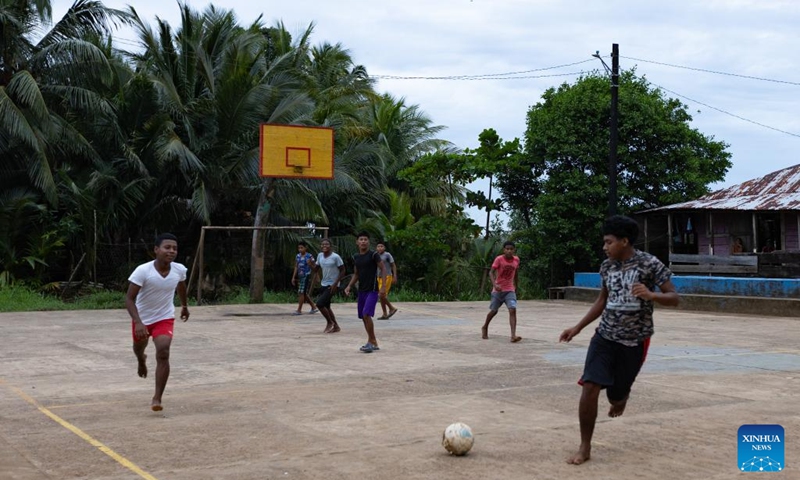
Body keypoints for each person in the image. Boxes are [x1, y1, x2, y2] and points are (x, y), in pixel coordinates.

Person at [559, 215, 679, 465]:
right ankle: (585, 446)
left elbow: (674, 296)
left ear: (625, 241)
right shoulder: (607, 267)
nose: (605, 247)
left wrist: (651, 295)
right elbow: (602, 300)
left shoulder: (649, 264)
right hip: (604, 337)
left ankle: (621, 397)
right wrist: (578, 327)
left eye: (609, 242)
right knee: (590, 387)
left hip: (635, 342)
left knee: (615, 396)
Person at [126, 233, 190, 412]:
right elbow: (129, 299)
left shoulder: (179, 270)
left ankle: (157, 398)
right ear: (156, 250)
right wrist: (138, 322)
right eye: (167, 247)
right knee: (139, 347)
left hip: (164, 317)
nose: (171, 251)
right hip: (142, 319)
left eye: (174, 248)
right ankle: (141, 359)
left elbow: (181, 286)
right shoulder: (143, 271)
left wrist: (184, 305)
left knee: (163, 351)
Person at [344, 232, 388, 353]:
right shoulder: (356, 257)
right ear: (357, 242)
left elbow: (383, 268)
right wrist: (349, 286)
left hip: (372, 290)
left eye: (365, 239)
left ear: (368, 242)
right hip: (361, 290)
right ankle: (373, 341)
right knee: (363, 317)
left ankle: (371, 341)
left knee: (366, 314)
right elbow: (356, 274)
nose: (363, 241)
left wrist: (383, 286)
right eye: (361, 239)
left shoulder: (373, 255)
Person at [481, 241, 522, 343]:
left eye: (511, 249)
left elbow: (516, 272)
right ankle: (485, 326)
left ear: (514, 250)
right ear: (504, 250)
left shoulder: (516, 260)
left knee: (512, 309)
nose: (509, 251)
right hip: (498, 290)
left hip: (509, 289)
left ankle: (513, 335)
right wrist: (494, 284)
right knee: (494, 311)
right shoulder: (499, 259)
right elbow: (491, 272)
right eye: (507, 249)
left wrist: (516, 285)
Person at [310, 238, 345, 333]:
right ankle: (336, 326)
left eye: (327, 244)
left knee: (319, 304)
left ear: (330, 246)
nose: (324, 246)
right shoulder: (320, 256)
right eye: (322, 244)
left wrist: (335, 283)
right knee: (327, 306)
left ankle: (330, 322)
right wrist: (310, 264)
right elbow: (316, 269)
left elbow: (343, 270)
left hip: (333, 285)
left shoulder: (335, 257)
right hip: (324, 283)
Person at [291, 241, 318, 315]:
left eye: (301, 248)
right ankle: (313, 307)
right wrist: (293, 277)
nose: (300, 249)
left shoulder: (309, 256)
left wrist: (310, 265)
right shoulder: (298, 256)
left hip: (306, 275)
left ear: (305, 248)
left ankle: (299, 310)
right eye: (299, 248)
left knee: (301, 292)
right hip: (300, 276)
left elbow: (315, 267)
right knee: (304, 293)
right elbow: (296, 266)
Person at [375, 240, 399, 320]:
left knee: (381, 295)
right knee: (382, 296)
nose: (380, 248)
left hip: (387, 276)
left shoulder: (387, 255)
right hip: (379, 277)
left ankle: (391, 308)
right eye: (378, 246)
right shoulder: (375, 255)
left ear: (384, 248)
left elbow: (393, 265)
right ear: (376, 248)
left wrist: (395, 276)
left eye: (381, 246)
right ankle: (385, 313)